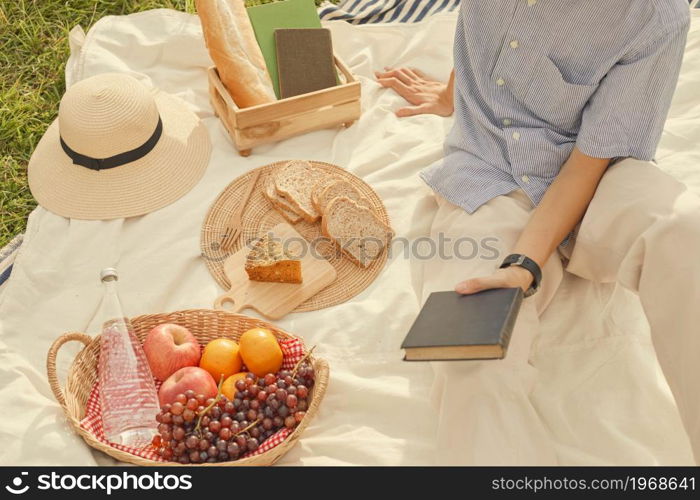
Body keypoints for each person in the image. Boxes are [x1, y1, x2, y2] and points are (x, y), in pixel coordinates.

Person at [376, 1, 698, 464]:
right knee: (470, 362)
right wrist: (456, 95)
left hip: (601, 174)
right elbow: (483, 27)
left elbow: (587, 166)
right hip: (489, 176)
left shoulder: (652, 14)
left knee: (686, 230)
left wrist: (523, 265)